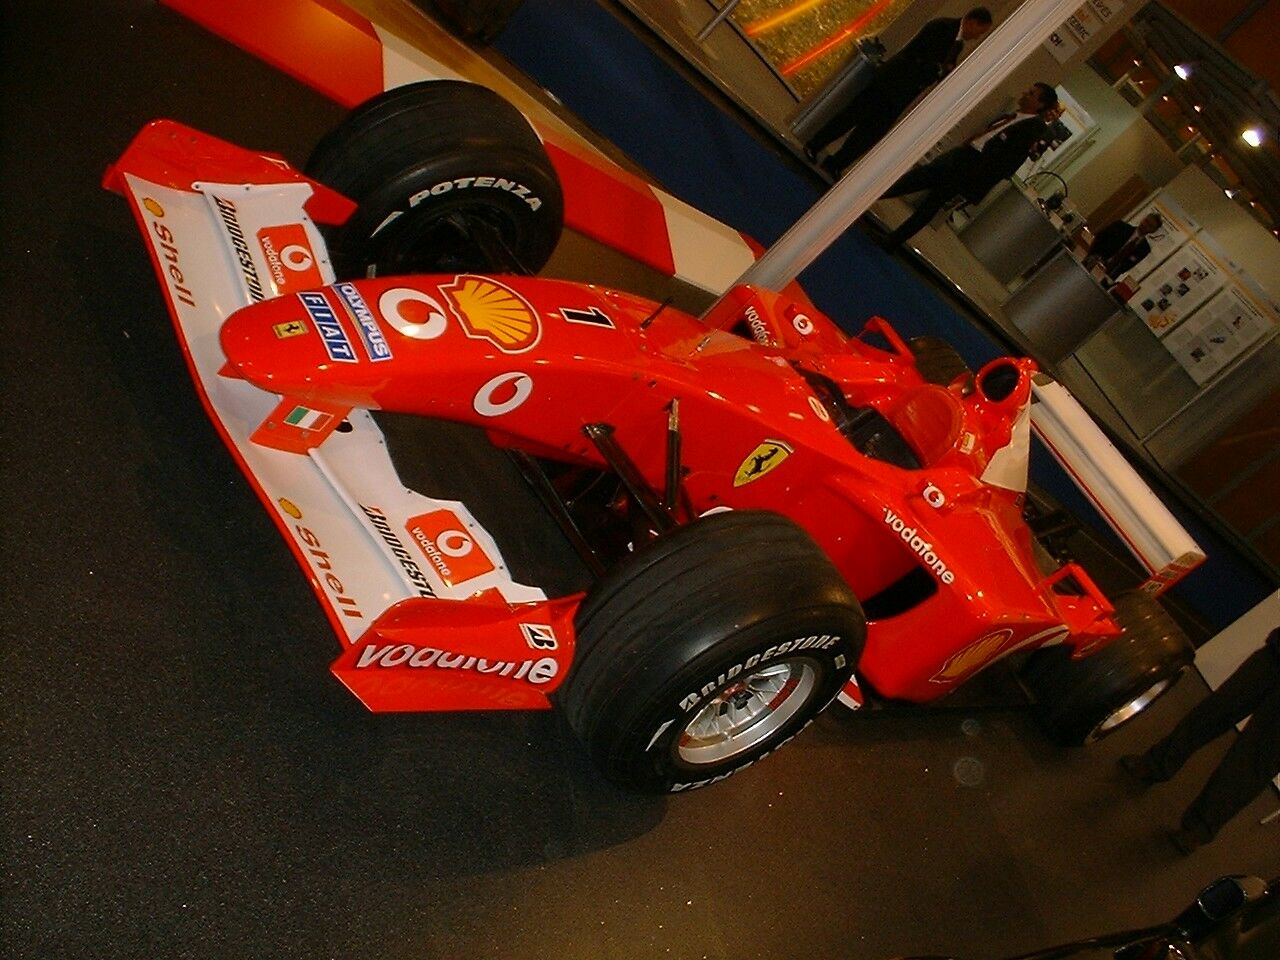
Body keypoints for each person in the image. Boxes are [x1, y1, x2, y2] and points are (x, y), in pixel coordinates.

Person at [1120, 625, 1280, 854]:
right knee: (1216, 709)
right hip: (1276, 656)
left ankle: (1199, 828)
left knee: (1256, 758)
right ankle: (1157, 763)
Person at [870, 82, 1060, 250]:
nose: (1026, 93)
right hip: (964, 154)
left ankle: (890, 236)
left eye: (1032, 94)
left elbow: (1007, 163)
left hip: (972, 168)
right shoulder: (1014, 115)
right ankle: (875, 204)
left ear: (1040, 104)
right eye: (1029, 90)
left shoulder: (1034, 128)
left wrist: (977, 177)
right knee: (917, 180)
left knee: (929, 198)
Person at [804, 9, 994, 176]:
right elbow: (925, 57)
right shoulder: (942, 26)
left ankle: (837, 163)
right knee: (851, 115)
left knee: (871, 132)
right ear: (972, 21)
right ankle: (815, 144)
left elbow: (942, 67)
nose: (977, 37)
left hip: (903, 94)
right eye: (980, 31)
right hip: (891, 81)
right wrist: (939, 69)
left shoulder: (958, 45)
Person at [1085, 212, 1163, 279]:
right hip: (1093, 260)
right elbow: (1099, 238)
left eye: (1150, 226)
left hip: (1107, 275)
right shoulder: (1120, 227)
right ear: (1143, 219)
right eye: (1146, 221)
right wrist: (1091, 255)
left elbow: (1127, 266)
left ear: (1153, 231)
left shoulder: (1144, 249)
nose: (1146, 225)